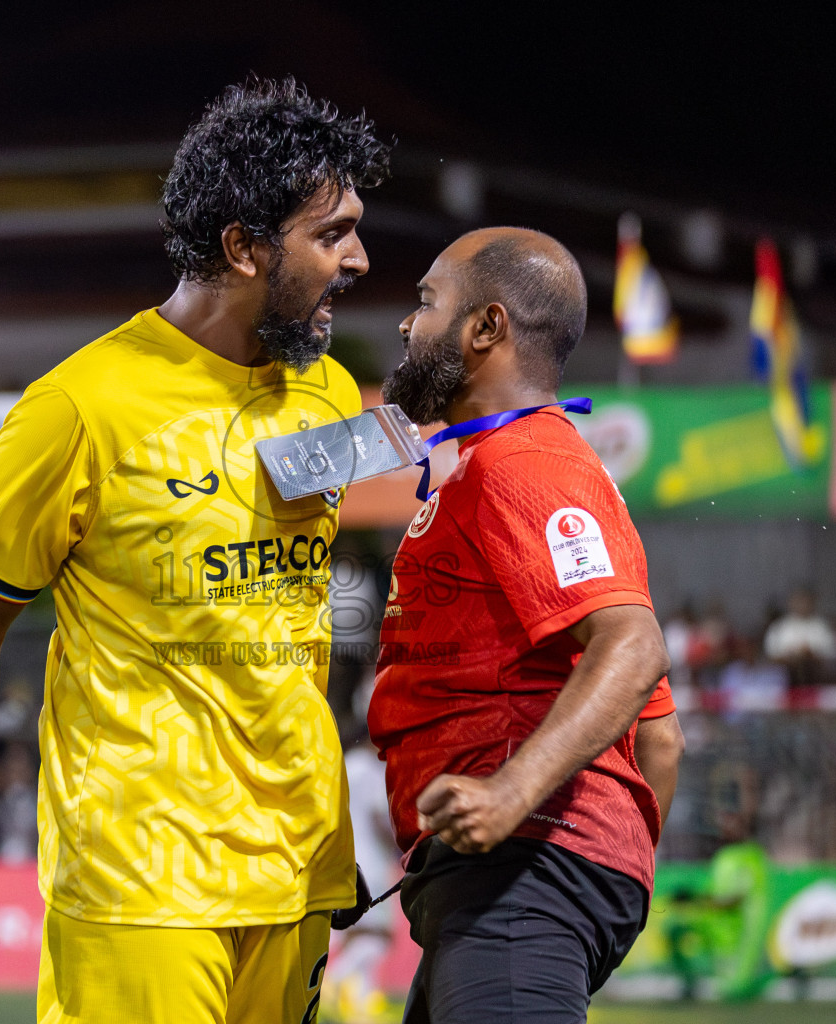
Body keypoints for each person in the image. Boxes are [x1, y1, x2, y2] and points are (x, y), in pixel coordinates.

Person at [0, 77, 390, 1024]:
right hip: (142, 873)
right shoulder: (78, 407)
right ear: (244, 247)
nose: (359, 258)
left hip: (296, 867)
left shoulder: (327, 391)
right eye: (331, 234)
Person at [369, 227, 681, 1023]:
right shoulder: (513, 462)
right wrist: (612, 863)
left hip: (522, 870)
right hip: (520, 874)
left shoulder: (527, 463)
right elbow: (660, 740)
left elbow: (634, 645)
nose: (409, 324)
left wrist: (515, 798)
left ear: (486, 328)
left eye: (427, 302)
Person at [762, 588, 836, 687]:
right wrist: (791, 656)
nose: (802, 604)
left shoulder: (823, 627)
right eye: (798, 600)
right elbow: (770, 657)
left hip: (817, 680)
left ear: (813, 602)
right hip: (785, 682)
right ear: (791, 602)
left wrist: (810, 654)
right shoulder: (779, 628)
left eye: (805, 601)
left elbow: (833, 656)